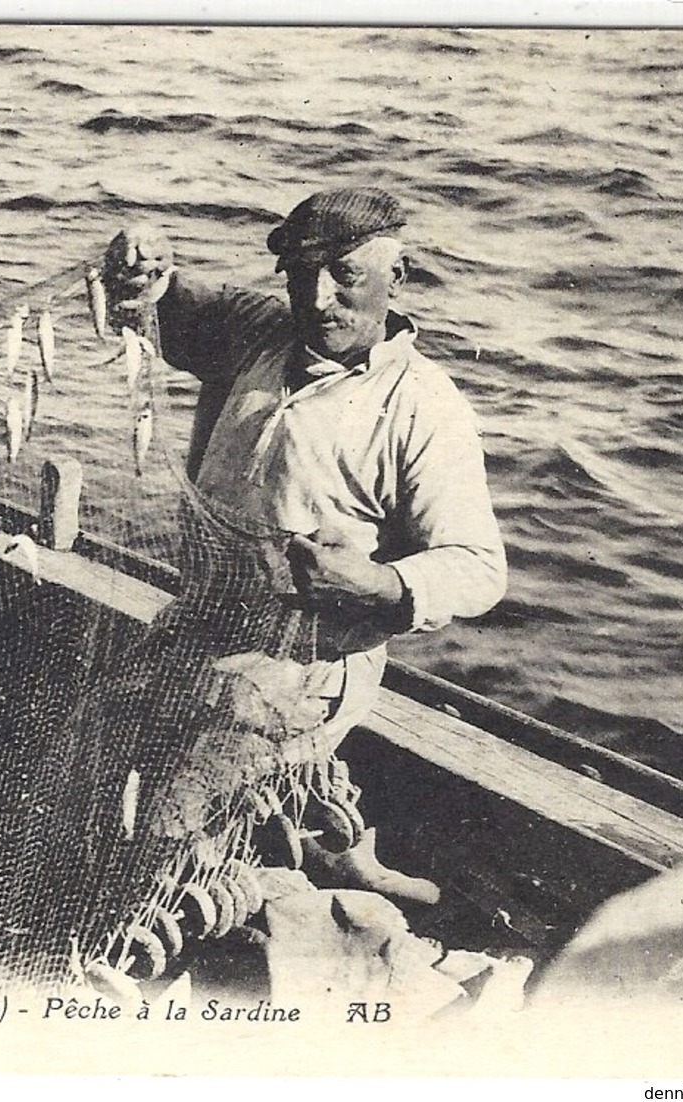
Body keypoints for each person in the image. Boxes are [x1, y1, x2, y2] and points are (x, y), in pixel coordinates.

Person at [103, 187, 506, 904]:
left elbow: (476, 568)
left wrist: (378, 586)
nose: (318, 299)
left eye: (345, 275)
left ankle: (283, 869)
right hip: (195, 627)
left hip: (300, 669)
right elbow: (166, 309)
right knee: (93, 770)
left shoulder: (422, 406)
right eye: (299, 275)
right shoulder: (258, 330)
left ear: (397, 276)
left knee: (156, 830)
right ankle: (325, 844)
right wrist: (144, 267)